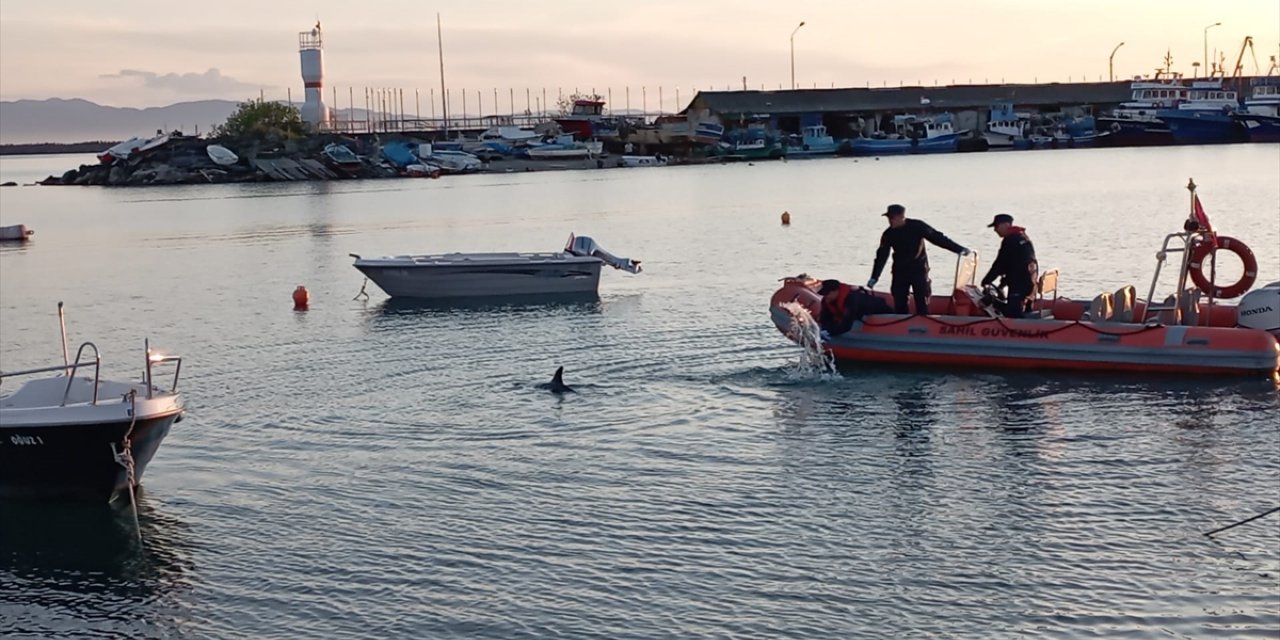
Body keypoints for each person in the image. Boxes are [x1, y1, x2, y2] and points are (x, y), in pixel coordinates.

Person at [868, 204, 970, 315]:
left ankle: (925, 324)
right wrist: (874, 277)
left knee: (922, 302)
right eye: (888, 218)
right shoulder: (888, 234)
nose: (890, 221)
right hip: (900, 272)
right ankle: (901, 325)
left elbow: (938, 238)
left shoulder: (917, 226)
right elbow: (881, 256)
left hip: (919, 270)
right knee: (900, 302)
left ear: (901, 217)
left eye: (892, 218)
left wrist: (959, 249)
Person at [981, 214, 1039, 318]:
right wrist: (1003, 284)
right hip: (1030, 282)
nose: (995, 230)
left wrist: (986, 280)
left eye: (996, 226)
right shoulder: (1023, 237)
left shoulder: (1010, 241)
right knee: (1020, 308)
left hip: (1020, 284)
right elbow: (1013, 263)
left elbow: (1000, 264)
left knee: (1012, 313)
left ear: (1005, 225)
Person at [818, 279, 892, 337]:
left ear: (836, 291)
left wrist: (830, 332)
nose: (825, 296)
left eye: (827, 293)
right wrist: (824, 330)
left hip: (880, 310)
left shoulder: (852, 299)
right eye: (823, 294)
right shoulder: (826, 301)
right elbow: (824, 318)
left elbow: (846, 325)